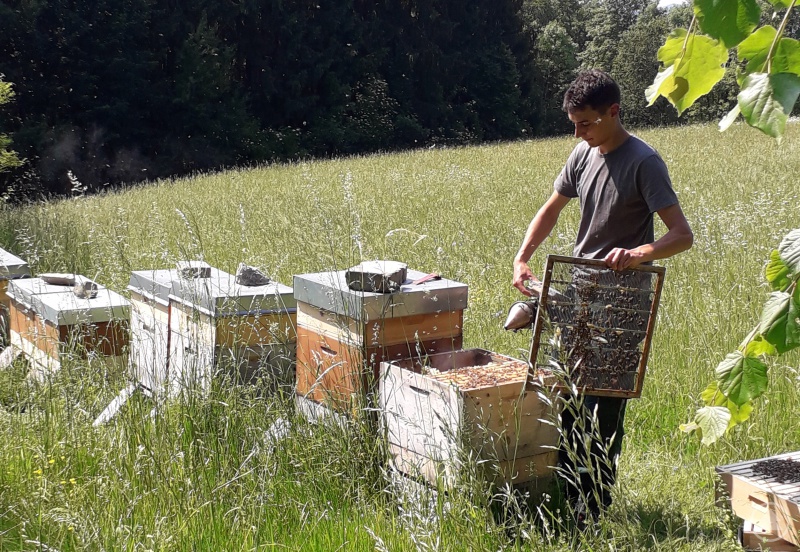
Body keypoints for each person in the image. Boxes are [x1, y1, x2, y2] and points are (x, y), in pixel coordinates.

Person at [511, 69, 693, 524]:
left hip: (621, 304)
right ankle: (565, 497)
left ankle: (591, 512)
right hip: (578, 294)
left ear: (613, 112)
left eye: (586, 122)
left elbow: (681, 235)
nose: (578, 132)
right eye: (574, 123)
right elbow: (551, 208)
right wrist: (522, 257)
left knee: (602, 411)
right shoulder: (581, 153)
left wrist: (638, 253)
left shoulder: (644, 162)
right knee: (567, 402)